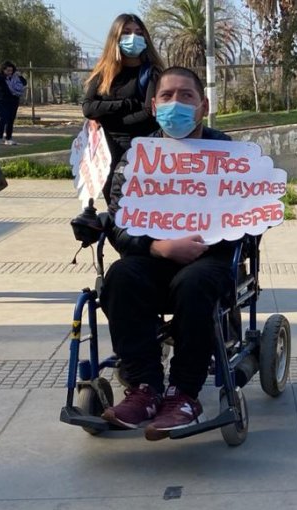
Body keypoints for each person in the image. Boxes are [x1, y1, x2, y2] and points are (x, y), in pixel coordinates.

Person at [99, 67, 233, 441]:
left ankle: (184, 393)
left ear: (203, 106)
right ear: (153, 106)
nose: (177, 104)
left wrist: (206, 241)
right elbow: (118, 222)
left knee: (195, 284)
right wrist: (158, 246)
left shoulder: (230, 153)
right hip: (151, 257)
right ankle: (145, 387)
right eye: (167, 96)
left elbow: (251, 214)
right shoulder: (135, 157)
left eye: (186, 96)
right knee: (120, 277)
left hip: (207, 259)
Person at [82, 13, 164, 208]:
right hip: (106, 152)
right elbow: (88, 107)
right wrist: (125, 105)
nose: (133, 38)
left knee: (138, 210)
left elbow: (148, 112)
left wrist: (106, 117)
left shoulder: (152, 72)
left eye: (138, 32)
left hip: (139, 152)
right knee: (114, 208)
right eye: (126, 33)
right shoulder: (103, 73)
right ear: (115, 38)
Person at [0, 60, 26, 145]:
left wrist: (19, 76)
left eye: (11, 70)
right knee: (2, 118)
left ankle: (8, 138)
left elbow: (24, 82)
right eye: (8, 70)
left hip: (13, 101)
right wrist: (5, 77)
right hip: (2, 101)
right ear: (3, 70)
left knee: (10, 120)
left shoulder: (15, 77)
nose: (10, 72)